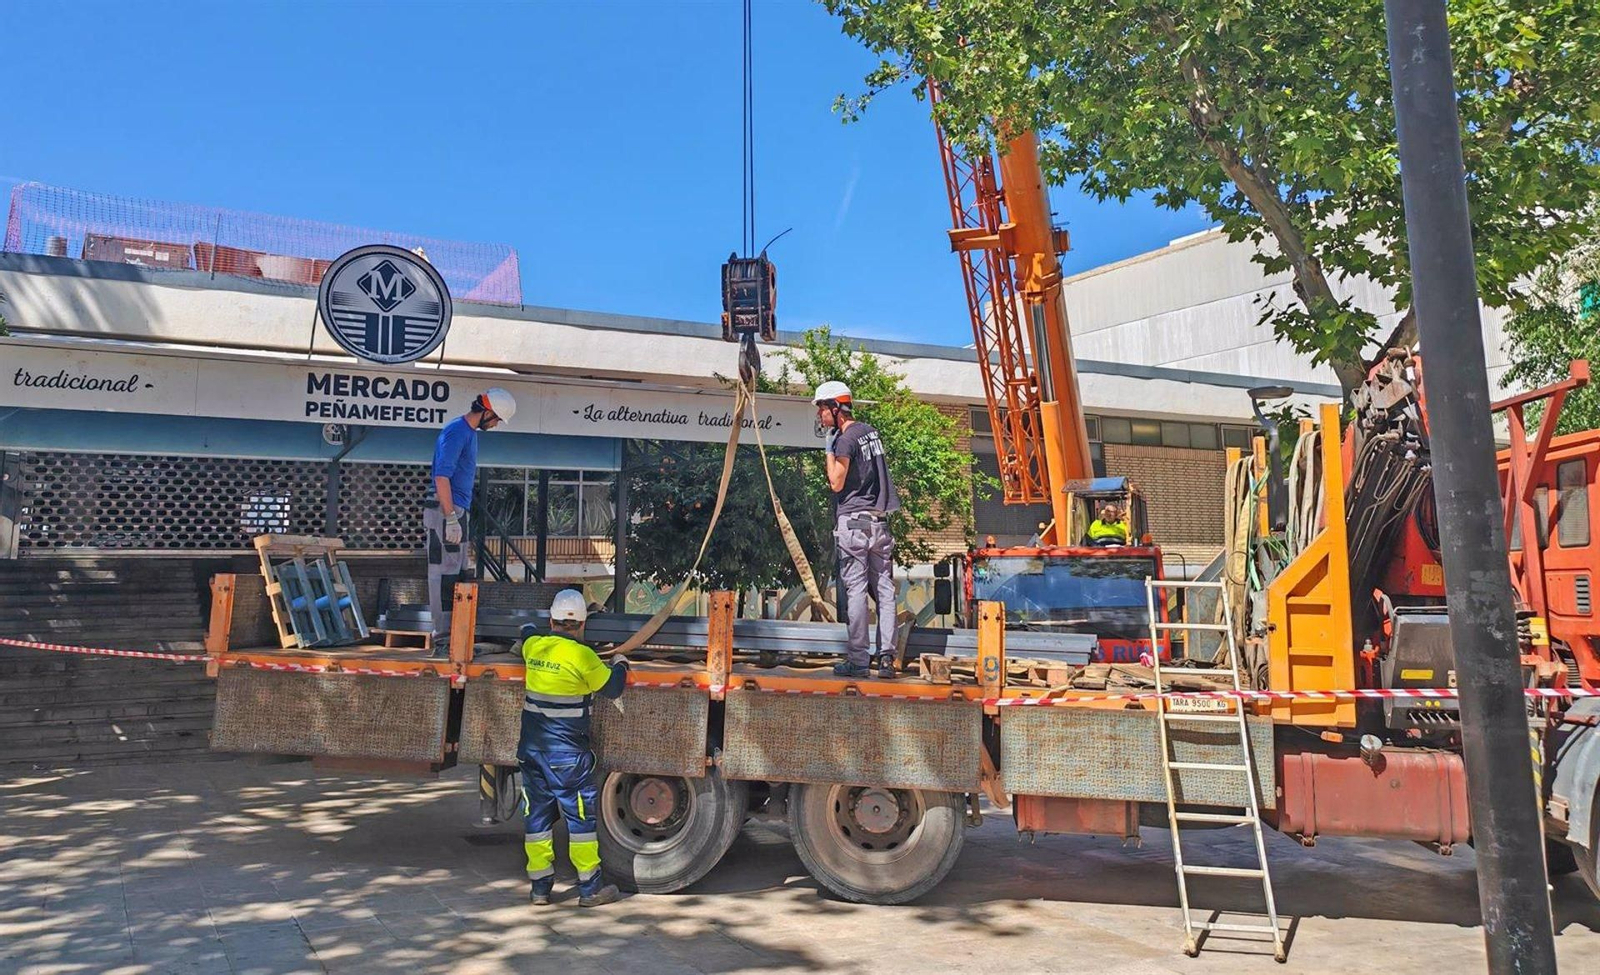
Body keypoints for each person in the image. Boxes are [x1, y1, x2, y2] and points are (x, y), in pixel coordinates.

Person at [519, 588, 628, 907]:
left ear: (551, 620)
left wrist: (531, 628)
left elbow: (525, 632)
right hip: (567, 757)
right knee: (580, 822)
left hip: (531, 753)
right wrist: (620, 662)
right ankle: (590, 889)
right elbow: (613, 688)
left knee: (535, 819)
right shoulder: (584, 657)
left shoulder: (534, 647)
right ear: (582, 625)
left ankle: (540, 888)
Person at [814, 381, 901, 679]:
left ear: (835, 408)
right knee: (886, 590)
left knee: (856, 592)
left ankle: (859, 661)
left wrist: (828, 450)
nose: (819, 415)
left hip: (853, 524)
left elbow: (836, 482)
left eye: (822, 409)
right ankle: (888, 659)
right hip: (879, 523)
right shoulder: (870, 432)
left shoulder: (845, 439)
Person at [425, 388, 515, 653]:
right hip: (446, 511)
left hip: (457, 511)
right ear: (486, 412)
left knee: (458, 574)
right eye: (497, 419)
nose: (496, 424)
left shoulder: (470, 434)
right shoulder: (456, 431)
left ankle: (456, 633)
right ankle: (442, 637)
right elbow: (441, 477)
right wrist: (450, 517)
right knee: (442, 575)